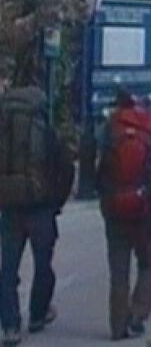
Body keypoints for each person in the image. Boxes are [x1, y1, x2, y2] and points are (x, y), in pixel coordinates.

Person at [0, 88, 74, 347]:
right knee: (43, 265)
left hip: (9, 206)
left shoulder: (3, 126)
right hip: (41, 208)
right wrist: (57, 201)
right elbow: (66, 166)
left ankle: (9, 325)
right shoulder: (47, 131)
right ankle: (37, 315)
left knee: (7, 269)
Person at [96, 92, 151, 340]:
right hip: (143, 209)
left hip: (114, 207)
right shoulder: (148, 129)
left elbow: (99, 169)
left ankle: (118, 325)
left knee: (119, 268)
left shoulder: (108, 130)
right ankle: (138, 315)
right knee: (147, 262)